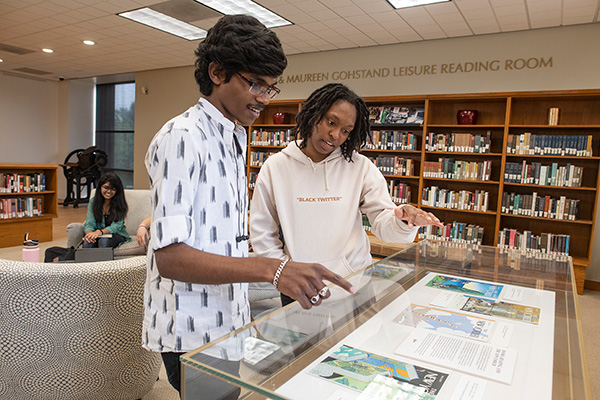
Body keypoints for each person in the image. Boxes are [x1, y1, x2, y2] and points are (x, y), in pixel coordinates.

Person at [142, 15, 355, 396]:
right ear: (217, 72)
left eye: (271, 88)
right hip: (193, 323)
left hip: (228, 315)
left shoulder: (235, 135)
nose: (263, 98)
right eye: (255, 83)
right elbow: (170, 257)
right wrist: (273, 269)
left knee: (231, 393)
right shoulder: (182, 136)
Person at [250, 83, 444, 306]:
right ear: (314, 115)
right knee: (305, 342)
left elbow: (383, 221)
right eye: (331, 123)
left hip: (354, 283)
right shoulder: (275, 167)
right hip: (300, 286)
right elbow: (263, 232)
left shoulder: (359, 167)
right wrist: (284, 272)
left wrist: (402, 220)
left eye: (346, 131)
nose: (335, 135)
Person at [82, 171, 131, 248]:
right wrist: (89, 235)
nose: (109, 191)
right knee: (87, 243)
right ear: (100, 187)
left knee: (104, 241)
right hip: (98, 234)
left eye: (113, 189)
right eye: (106, 187)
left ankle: (104, 260)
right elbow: (89, 223)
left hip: (116, 234)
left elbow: (116, 227)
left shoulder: (120, 204)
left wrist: (100, 232)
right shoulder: (93, 201)